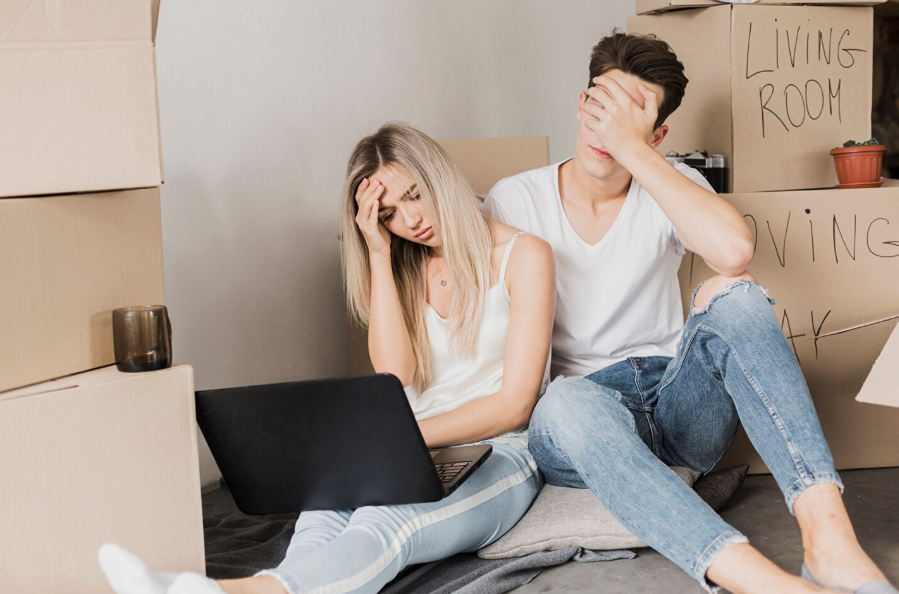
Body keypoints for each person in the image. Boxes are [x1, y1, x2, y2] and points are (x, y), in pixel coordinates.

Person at [482, 31, 897, 594]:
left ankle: (832, 543)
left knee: (736, 292)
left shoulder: (668, 183)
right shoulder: (515, 199)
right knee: (566, 400)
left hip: (677, 404)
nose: (611, 127)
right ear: (582, 105)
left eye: (634, 116)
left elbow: (733, 252)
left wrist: (632, 150)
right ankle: (760, 582)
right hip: (580, 418)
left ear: (657, 135)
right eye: (605, 106)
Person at [95, 122, 555, 594]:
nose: (412, 220)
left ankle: (223, 592)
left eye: (416, 194)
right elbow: (395, 374)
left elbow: (515, 406)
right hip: (402, 449)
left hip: (499, 452)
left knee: (384, 524)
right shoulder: (401, 265)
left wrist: (401, 437)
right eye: (390, 214)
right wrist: (378, 253)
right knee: (318, 523)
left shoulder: (524, 256)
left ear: (440, 176)